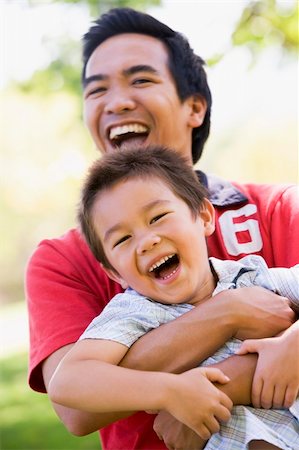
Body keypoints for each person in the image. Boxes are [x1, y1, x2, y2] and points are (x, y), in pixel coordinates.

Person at [25, 7, 299, 450]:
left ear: (194, 106)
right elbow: (75, 406)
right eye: (97, 91)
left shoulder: (281, 209)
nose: (117, 102)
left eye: (141, 80)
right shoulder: (66, 262)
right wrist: (227, 313)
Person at [49, 146, 299, 450]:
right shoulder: (135, 314)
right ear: (114, 272)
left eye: (158, 217)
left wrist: (292, 340)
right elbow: (67, 383)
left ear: (204, 217)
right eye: (123, 239)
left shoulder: (248, 275)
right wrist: (168, 390)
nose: (146, 241)